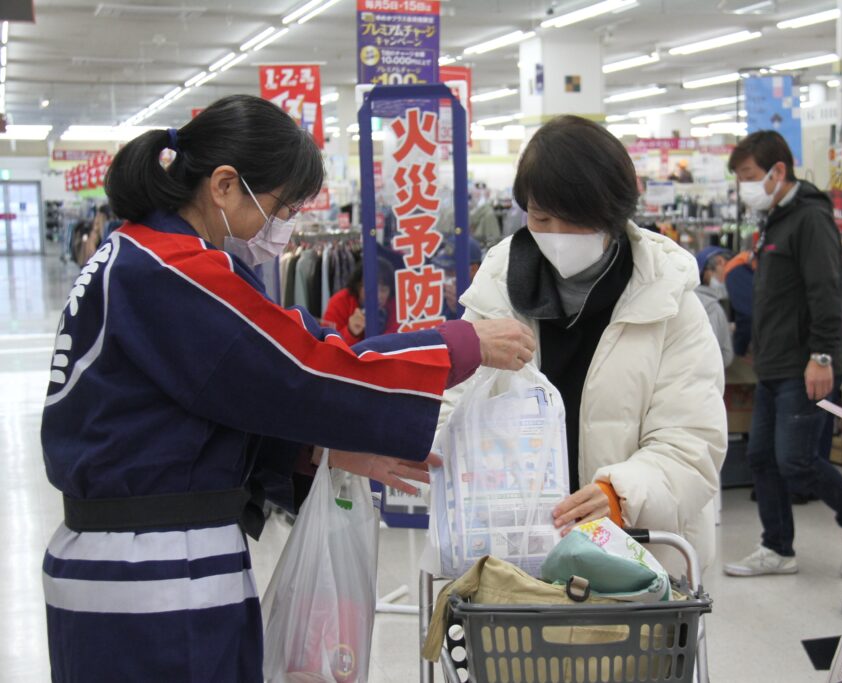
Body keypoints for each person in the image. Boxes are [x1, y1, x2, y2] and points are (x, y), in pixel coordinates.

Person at [39, 94, 535, 682]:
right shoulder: (174, 270)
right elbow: (304, 369)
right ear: (224, 185)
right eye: (280, 208)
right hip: (160, 581)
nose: (283, 230)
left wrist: (313, 449)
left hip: (127, 567)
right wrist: (458, 345)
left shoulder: (133, 254)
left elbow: (206, 403)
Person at [435, 115, 728, 573]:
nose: (557, 235)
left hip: (634, 559)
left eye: (575, 219)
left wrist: (622, 493)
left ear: (612, 210)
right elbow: (454, 410)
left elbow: (692, 439)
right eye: (540, 217)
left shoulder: (669, 299)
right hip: (514, 559)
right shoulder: (495, 288)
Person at [722, 130, 842, 578]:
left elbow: (826, 292)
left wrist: (822, 356)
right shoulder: (774, 220)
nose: (744, 186)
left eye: (748, 176)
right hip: (772, 361)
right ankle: (777, 548)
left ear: (777, 171)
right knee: (762, 458)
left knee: (797, 461)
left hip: (804, 364)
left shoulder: (810, 219)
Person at [322, 260, 399, 345]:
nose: (377, 296)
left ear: (391, 291)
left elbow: (400, 341)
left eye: (383, 290)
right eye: (371, 288)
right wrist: (350, 331)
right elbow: (328, 346)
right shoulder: (339, 302)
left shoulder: (396, 304)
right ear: (358, 286)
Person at [695, 246, 734, 369]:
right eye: (723, 269)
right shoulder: (711, 307)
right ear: (706, 272)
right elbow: (710, 355)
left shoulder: (694, 299)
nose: (726, 277)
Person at [430, 233, 483, 320]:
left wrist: (463, 309)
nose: (446, 276)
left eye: (451, 271)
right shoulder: (443, 295)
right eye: (444, 270)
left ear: (473, 269)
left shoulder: (488, 297)